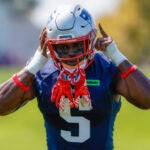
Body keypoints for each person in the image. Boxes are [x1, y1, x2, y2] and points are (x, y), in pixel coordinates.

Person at [0, 4, 150, 150]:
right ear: (50, 45)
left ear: (91, 40)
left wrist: (117, 56)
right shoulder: (42, 72)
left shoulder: (106, 69)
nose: (71, 52)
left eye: (78, 45)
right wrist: (34, 64)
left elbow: (147, 99)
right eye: (63, 47)